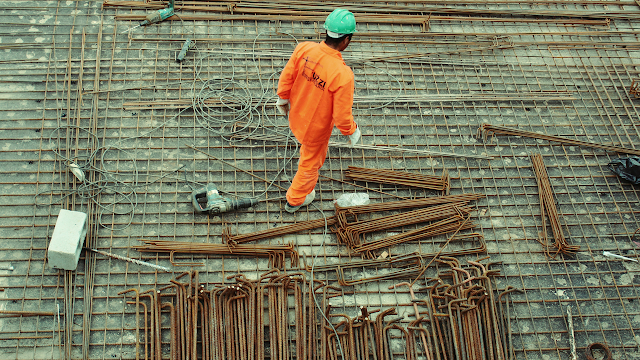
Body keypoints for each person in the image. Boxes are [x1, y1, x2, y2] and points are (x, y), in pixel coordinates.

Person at [275, 8, 361, 213]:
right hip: (315, 130)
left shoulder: (304, 49)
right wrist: (352, 131)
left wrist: (282, 98)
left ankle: (299, 194)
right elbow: (341, 116)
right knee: (310, 164)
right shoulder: (343, 75)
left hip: (296, 115)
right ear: (346, 40)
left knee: (306, 154)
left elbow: (287, 77)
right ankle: (294, 200)